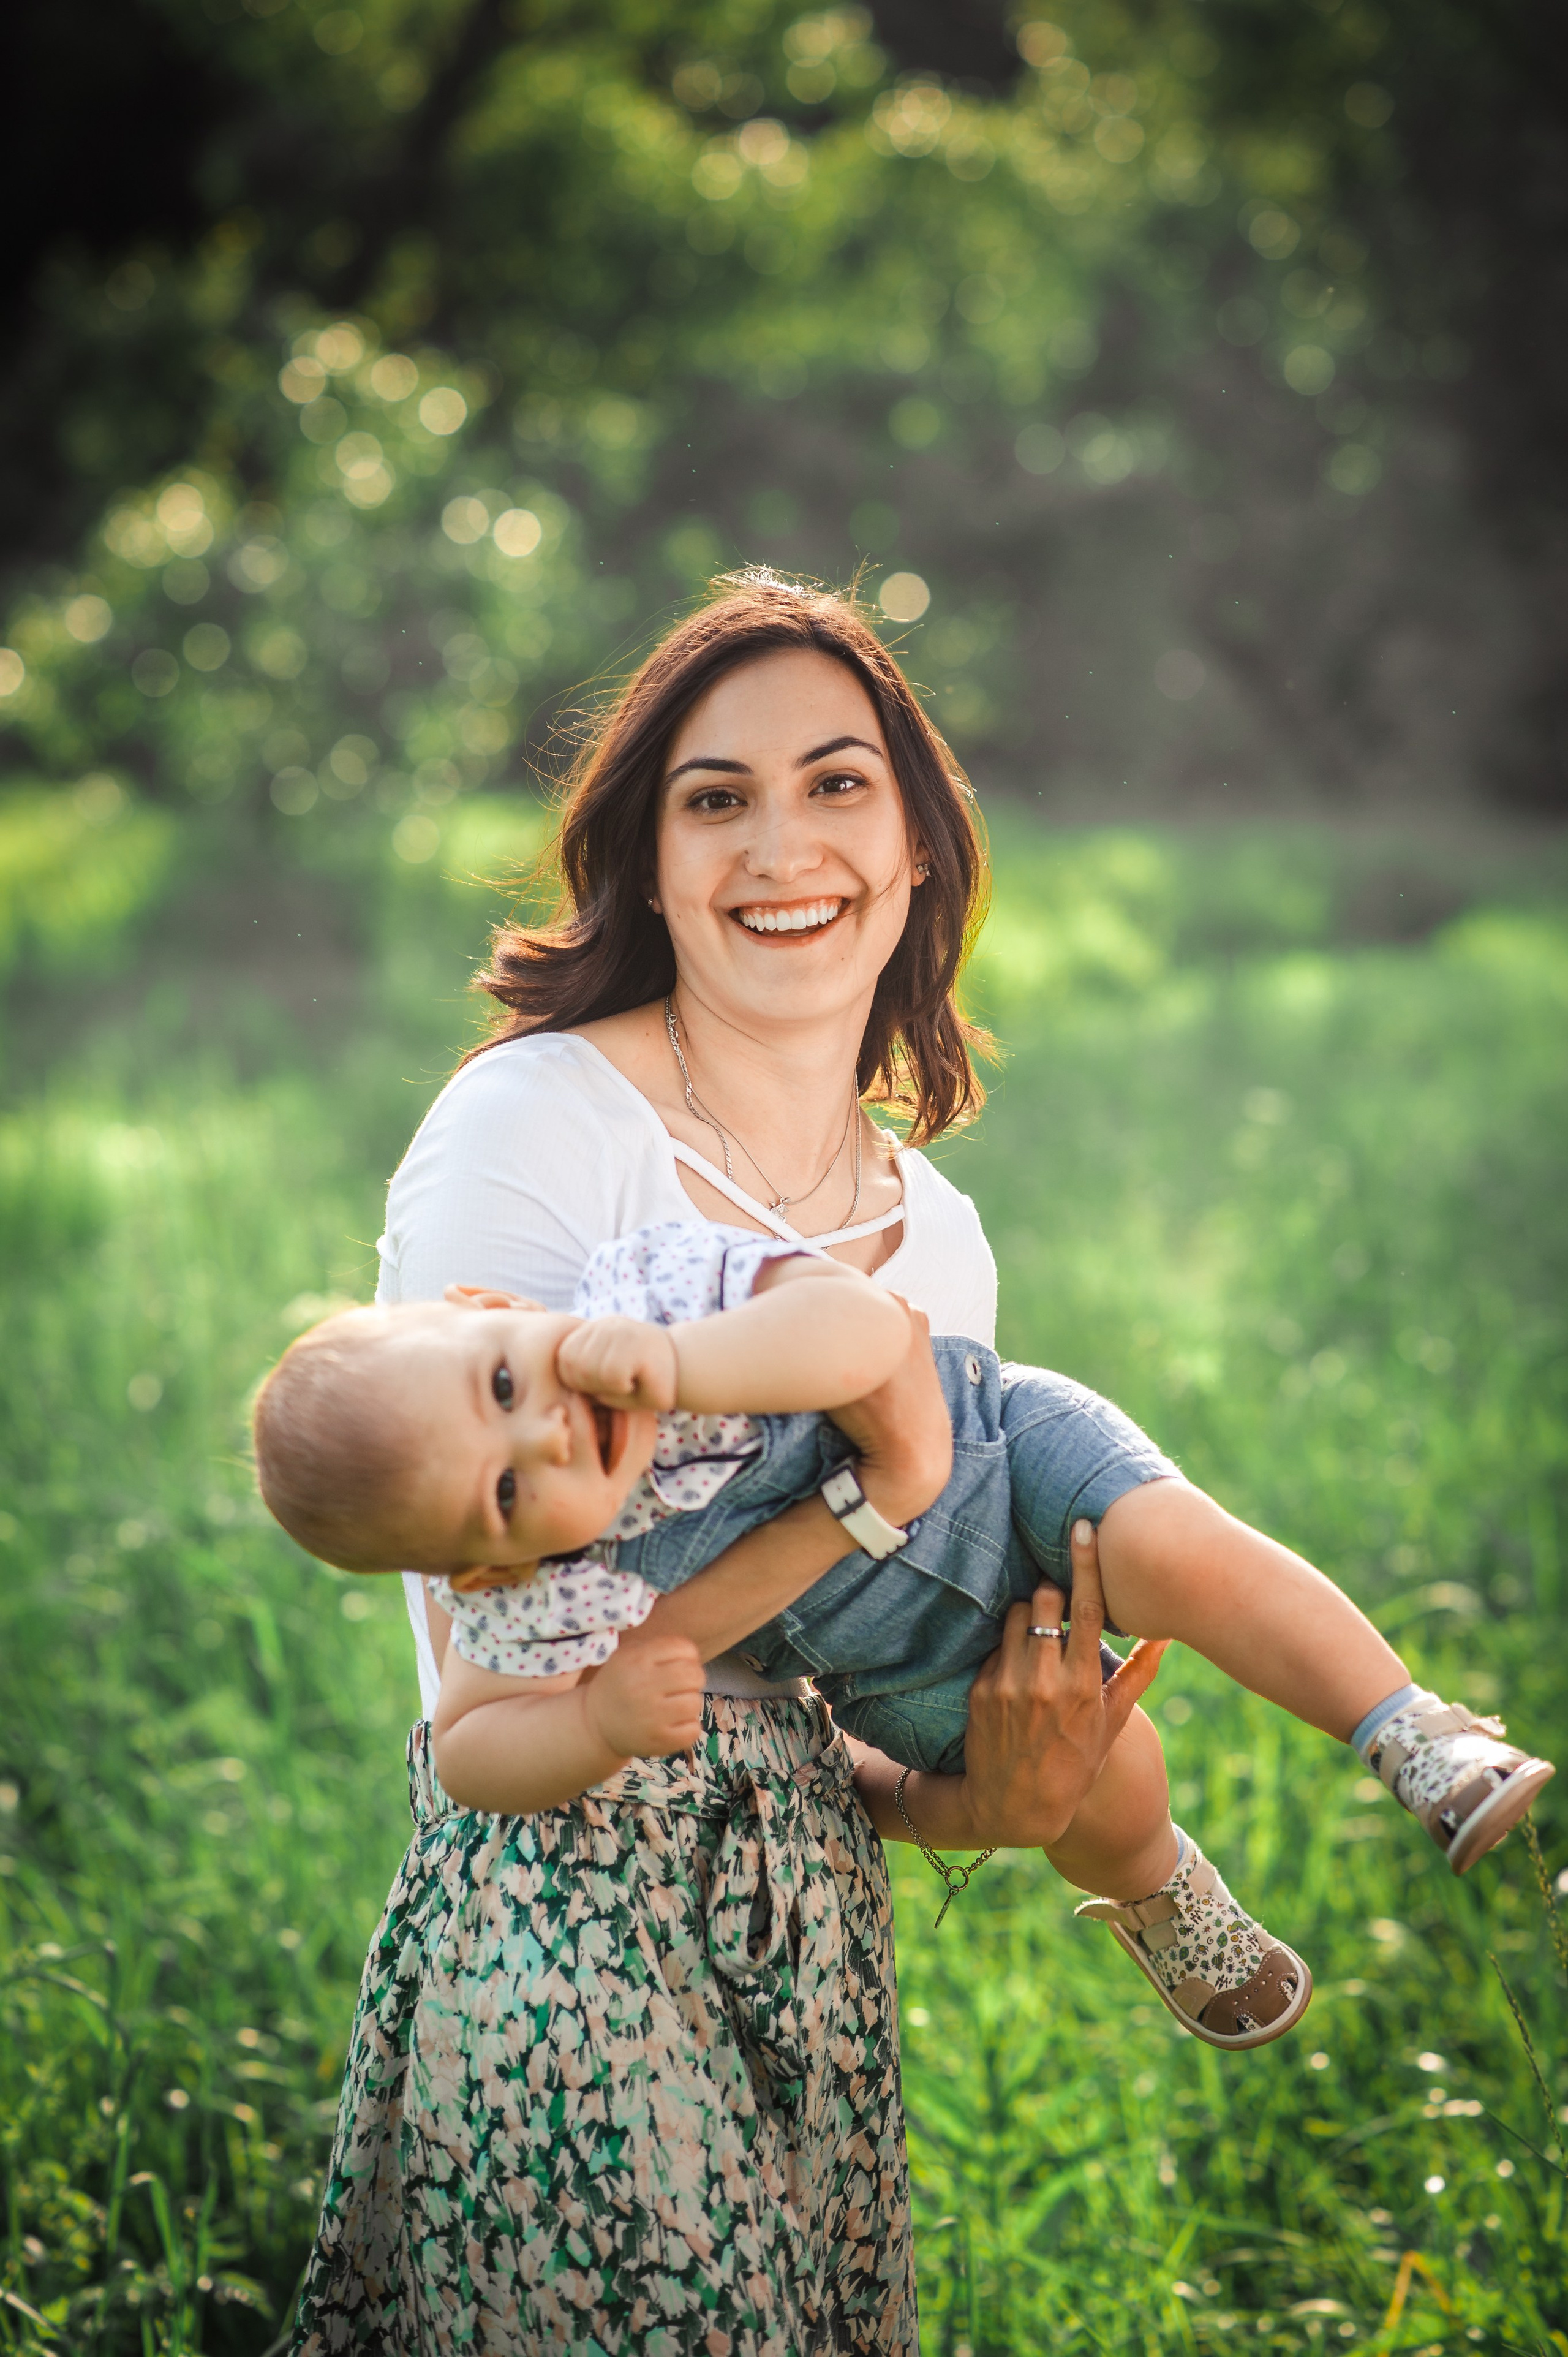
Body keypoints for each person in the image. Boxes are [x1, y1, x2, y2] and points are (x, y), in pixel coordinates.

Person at [289, 574, 1167, 2357]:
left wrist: (976, 1806)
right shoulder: (542, 1123)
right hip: (573, 1929)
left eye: (841, 783)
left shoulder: (944, 1246)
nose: (785, 842)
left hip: (816, 1952)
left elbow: (834, 1678)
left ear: (920, 845)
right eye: (718, 796)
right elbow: (492, 1647)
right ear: (651, 860)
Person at [258, 1213, 1552, 2053]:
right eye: (502, 1489)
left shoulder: (647, 1283)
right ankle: (1163, 1887)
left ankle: (1407, 1731)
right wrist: (591, 1723)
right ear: (487, 1563)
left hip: (999, 1461)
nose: (542, 1430)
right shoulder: (561, 1580)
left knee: (1182, 1558)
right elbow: (472, 1742)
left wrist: (685, 1361)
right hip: (896, 1660)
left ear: (490, 1300)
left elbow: (856, 1327)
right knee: (1099, 1776)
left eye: (501, 1380)